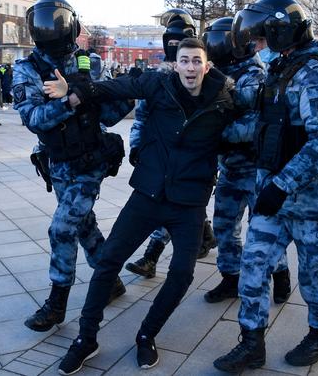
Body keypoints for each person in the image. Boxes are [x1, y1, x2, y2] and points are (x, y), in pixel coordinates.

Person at [53, 37, 249, 374]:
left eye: (195, 61)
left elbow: (254, 124)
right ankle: (86, 338)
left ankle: (147, 334)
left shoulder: (224, 98)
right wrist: (77, 89)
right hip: (147, 195)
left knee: (182, 274)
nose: (190, 68)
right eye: (184, 61)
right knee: (108, 261)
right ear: (176, 64)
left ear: (206, 65)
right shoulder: (159, 84)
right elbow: (114, 87)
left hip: (189, 204)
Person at [213, 0, 318, 372]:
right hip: (272, 200)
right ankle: (251, 345)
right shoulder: (281, 70)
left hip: (309, 203)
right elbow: (266, 123)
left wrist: (282, 185)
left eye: (259, 39)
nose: (256, 47)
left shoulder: (317, 77)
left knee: (314, 274)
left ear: (279, 33)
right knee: (253, 268)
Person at [12, 0, 133, 336]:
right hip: (59, 162)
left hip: (90, 161)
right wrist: (76, 99)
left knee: (62, 228)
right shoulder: (27, 69)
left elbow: (109, 113)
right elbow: (35, 119)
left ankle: (57, 303)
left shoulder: (90, 63)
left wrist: (112, 93)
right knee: (84, 225)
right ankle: (110, 282)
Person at [200, 17, 291, 305]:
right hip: (229, 168)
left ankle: (281, 274)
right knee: (225, 226)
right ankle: (230, 277)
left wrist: (218, 133)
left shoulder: (254, 75)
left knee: (264, 229)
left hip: (255, 170)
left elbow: (255, 124)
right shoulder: (214, 74)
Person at [124, 8, 217, 280]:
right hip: (158, 151)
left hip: (190, 157)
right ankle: (206, 235)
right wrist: (137, 146)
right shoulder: (157, 75)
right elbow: (141, 115)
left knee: (171, 201)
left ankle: (151, 256)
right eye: (171, 40)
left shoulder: (202, 72)